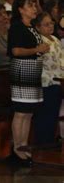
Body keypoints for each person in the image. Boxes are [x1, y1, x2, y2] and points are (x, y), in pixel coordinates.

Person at [7, 0, 49, 165]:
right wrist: (36, 49)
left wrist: (40, 50)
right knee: (21, 112)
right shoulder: (17, 27)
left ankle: (24, 146)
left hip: (33, 71)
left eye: (34, 5)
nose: (34, 8)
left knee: (29, 112)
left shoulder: (31, 26)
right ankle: (17, 149)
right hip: (22, 70)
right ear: (21, 9)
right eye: (30, 6)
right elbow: (15, 51)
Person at [33, 12, 63, 145]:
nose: (50, 26)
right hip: (45, 80)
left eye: (51, 23)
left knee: (54, 111)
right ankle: (43, 140)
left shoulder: (55, 39)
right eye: (46, 24)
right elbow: (45, 60)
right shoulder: (38, 40)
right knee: (45, 112)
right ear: (38, 27)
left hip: (58, 80)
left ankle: (51, 138)